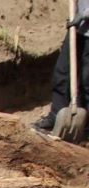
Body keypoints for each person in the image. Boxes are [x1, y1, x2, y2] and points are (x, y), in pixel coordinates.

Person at [32, 0, 89, 135]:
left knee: (87, 80)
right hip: (78, 27)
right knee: (62, 72)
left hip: (83, 22)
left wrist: (85, 14)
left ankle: (86, 126)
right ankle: (56, 115)